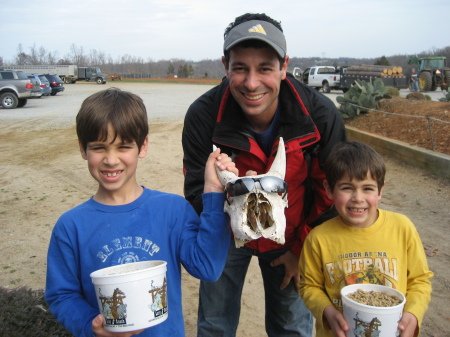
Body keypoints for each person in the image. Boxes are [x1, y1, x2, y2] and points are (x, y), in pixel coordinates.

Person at [182, 13, 347, 336]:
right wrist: (223, 207)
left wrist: (301, 250)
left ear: (284, 66)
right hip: (225, 235)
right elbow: (194, 192)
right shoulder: (203, 115)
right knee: (214, 324)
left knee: (292, 326)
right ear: (225, 65)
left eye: (265, 68)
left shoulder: (320, 115)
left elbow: (333, 193)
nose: (252, 82)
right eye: (240, 67)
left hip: (290, 234)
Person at [45, 88, 238, 337]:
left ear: (143, 146)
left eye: (124, 146)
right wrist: (89, 325)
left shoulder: (173, 211)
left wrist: (213, 192)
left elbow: (208, 267)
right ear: (83, 149)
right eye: (99, 148)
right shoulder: (70, 226)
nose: (111, 160)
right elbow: (61, 294)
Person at [298, 141, 433, 337]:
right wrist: (328, 312)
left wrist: (413, 314)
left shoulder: (402, 228)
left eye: (368, 188)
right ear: (328, 189)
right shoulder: (318, 238)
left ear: (380, 190)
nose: (358, 198)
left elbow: (420, 280)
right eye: (347, 188)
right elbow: (308, 286)